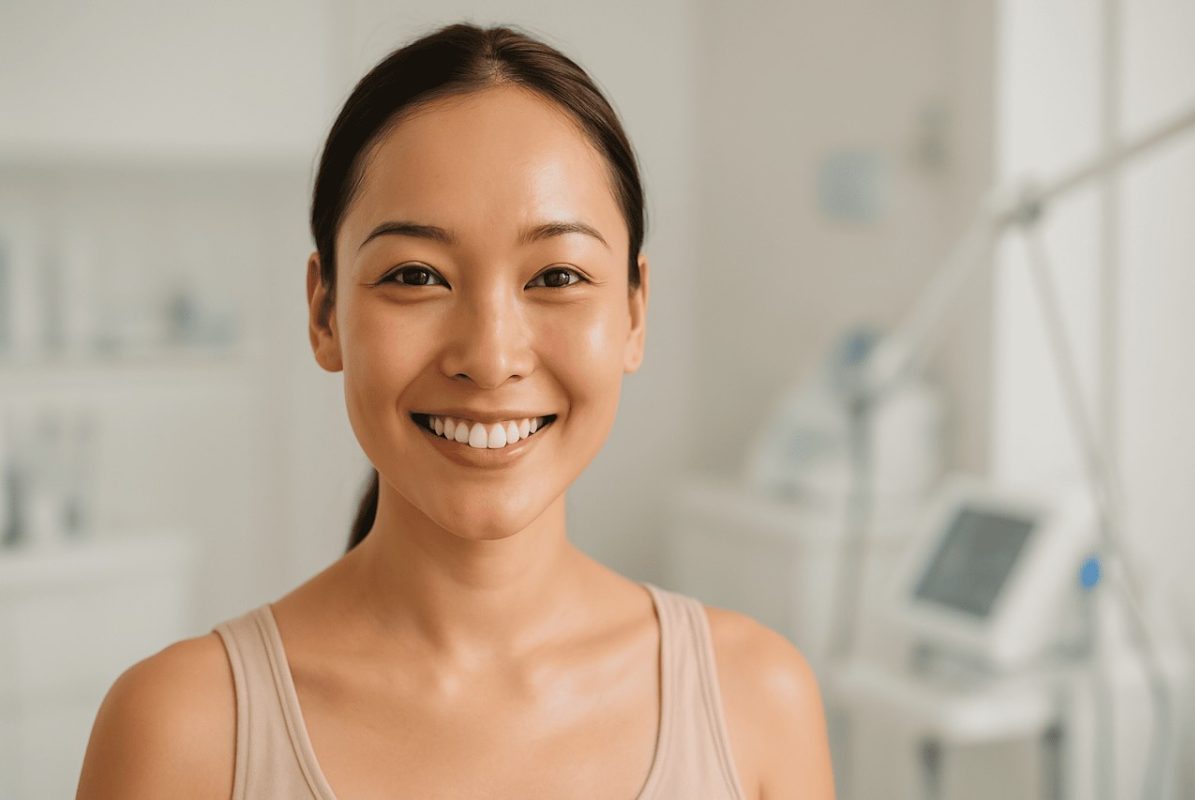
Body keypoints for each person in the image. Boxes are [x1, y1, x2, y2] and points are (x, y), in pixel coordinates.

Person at [76, 22, 834, 799]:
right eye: (415, 274)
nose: (490, 354)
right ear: (325, 312)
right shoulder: (182, 734)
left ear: (635, 313)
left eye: (557, 275)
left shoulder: (758, 705)